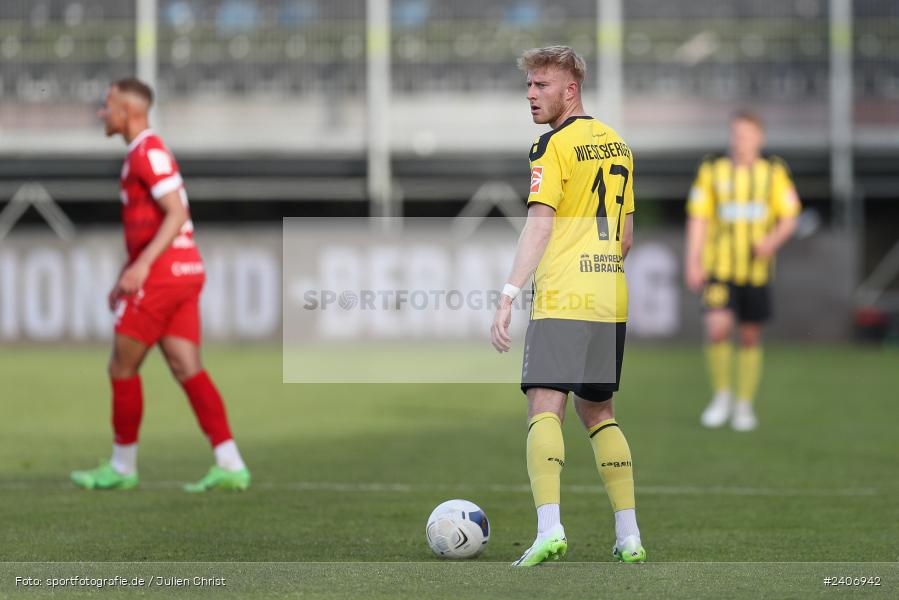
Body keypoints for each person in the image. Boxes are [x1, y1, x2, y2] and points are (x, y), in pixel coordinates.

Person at [490, 46, 645, 566]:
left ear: (570, 89)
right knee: (598, 410)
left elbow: (540, 223)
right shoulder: (618, 145)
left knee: (544, 404)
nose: (532, 95)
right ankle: (629, 536)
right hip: (611, 294)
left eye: (542, 85)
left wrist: (509, 293)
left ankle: (549, 529)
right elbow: (625, 236)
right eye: (529, 86)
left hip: (565, 293)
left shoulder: (552, 144)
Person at [71, 78, 250, 492]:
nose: (102, 112)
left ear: (129, 112)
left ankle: (121, 466)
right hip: (183, 272)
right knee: (187, 367)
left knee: (121, 366)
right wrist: (132, 267)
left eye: (108, 105)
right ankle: (230, 462)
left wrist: (141, 268)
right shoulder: (146, 151)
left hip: (163, 276)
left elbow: (176, 211)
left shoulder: (146, 151)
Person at [685, 110, 800, 431]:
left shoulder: (774, 174)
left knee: (749, 337)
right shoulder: (712, 171)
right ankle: (721, 396)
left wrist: (771, 242)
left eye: (747, 134)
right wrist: (692, 261)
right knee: (717, 328)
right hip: (719, 268)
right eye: (736, 134)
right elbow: (698, 218)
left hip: (756, 272)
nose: (740, 140)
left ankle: (744, 404)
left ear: (759, 138)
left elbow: (790, 216)